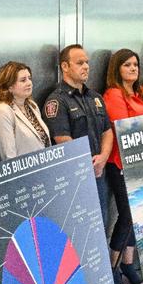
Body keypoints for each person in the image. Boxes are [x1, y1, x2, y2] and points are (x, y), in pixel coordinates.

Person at [102, 48, 143, 284]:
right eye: (127, 65)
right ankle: (112, 266)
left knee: (139, 213)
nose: (133, 68)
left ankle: (129, 264)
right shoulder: (114, 94)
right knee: (127, 215)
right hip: (121, 163)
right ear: (117, 69)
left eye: (135, 64)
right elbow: (124, 128)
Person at [44, 44, 114, 222]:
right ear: (65, 67)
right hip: (75, 179)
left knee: (102, 223)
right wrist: (88, 165)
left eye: (87, 62)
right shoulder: (57, 100)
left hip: (99, 173)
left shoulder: (95, 98)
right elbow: (62, 140)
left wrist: (103, 158)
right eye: (80, 63)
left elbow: (107, 131)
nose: (86, 67)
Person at [0, 61, 51, 161]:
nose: (29, 83)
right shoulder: (2, 112)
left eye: (29, 78)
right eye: (23, 80)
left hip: (42, 171)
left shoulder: (32, 106)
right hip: (23, 175)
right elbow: (8, 157)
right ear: (10, 87)